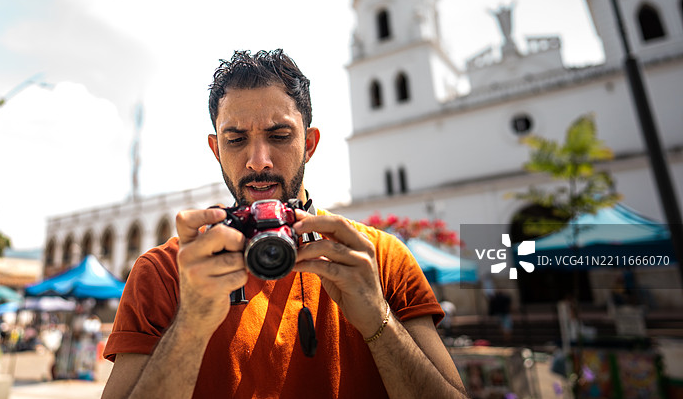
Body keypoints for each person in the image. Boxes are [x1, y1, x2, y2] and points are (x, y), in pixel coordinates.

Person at [102, 49, 466, 398]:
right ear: (216, 149)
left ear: (309, 143)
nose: (258, 161)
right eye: (236, 139)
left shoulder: (378, 258)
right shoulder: (166, 270)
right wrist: (191, 326)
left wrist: (376, 318)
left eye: (279, 136)